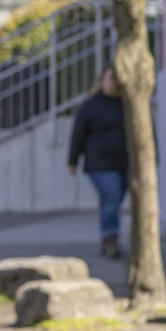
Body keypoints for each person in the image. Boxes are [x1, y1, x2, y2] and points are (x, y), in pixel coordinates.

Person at [68, 64, 128, 259]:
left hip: (124, 162)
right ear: (102, 80)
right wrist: (73, 159)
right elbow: (78, 134)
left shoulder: (127, 103)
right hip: (99, 162)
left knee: (113, 199)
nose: (113, 83)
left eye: (116, 79)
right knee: (111, 195)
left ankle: (108, 237)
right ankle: (110, 237)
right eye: (110, 78)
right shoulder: (91, 105)